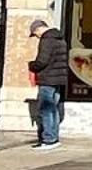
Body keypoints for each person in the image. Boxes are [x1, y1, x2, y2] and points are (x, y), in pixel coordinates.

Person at [27, 17, 68, 149]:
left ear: (38, 29)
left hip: (48, 79)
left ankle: (49, 140)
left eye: (35, 34)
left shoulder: (47, 40)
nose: (37, 37)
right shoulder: (59, 39)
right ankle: (54, 138)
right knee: (54, 109)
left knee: (46, 109)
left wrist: (32, 65)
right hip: (58, 79)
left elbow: (42, 61)